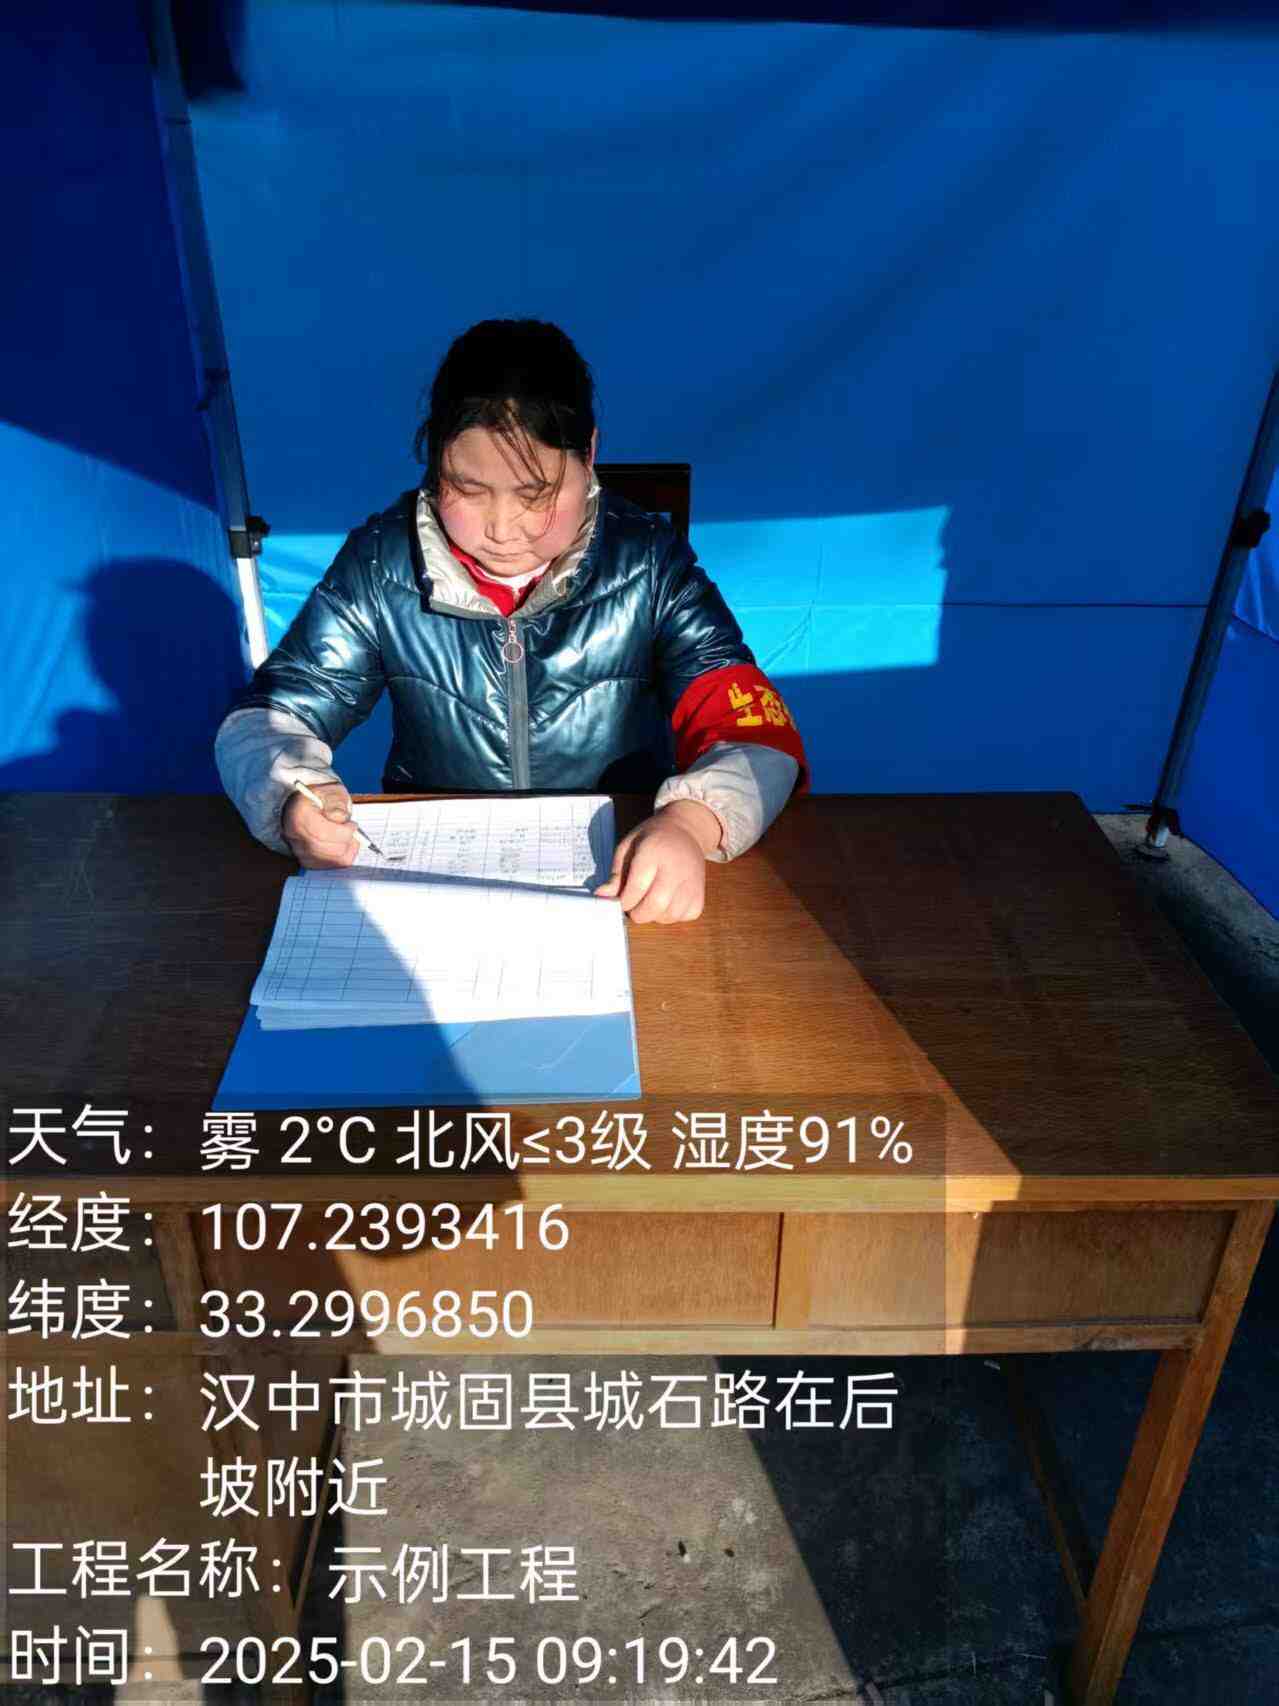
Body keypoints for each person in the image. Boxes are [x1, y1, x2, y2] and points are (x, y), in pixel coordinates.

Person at [215, 319, 807, 923]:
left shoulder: (648, 564)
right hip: (435, 886)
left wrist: (691, 822)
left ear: (589, 454)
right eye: (467, 490)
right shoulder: (382, 566)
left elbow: (754, 732)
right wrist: (292, 796)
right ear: (434, 462)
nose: (502, 529)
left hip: (619, 879)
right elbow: (267, 718)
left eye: (535, 495)